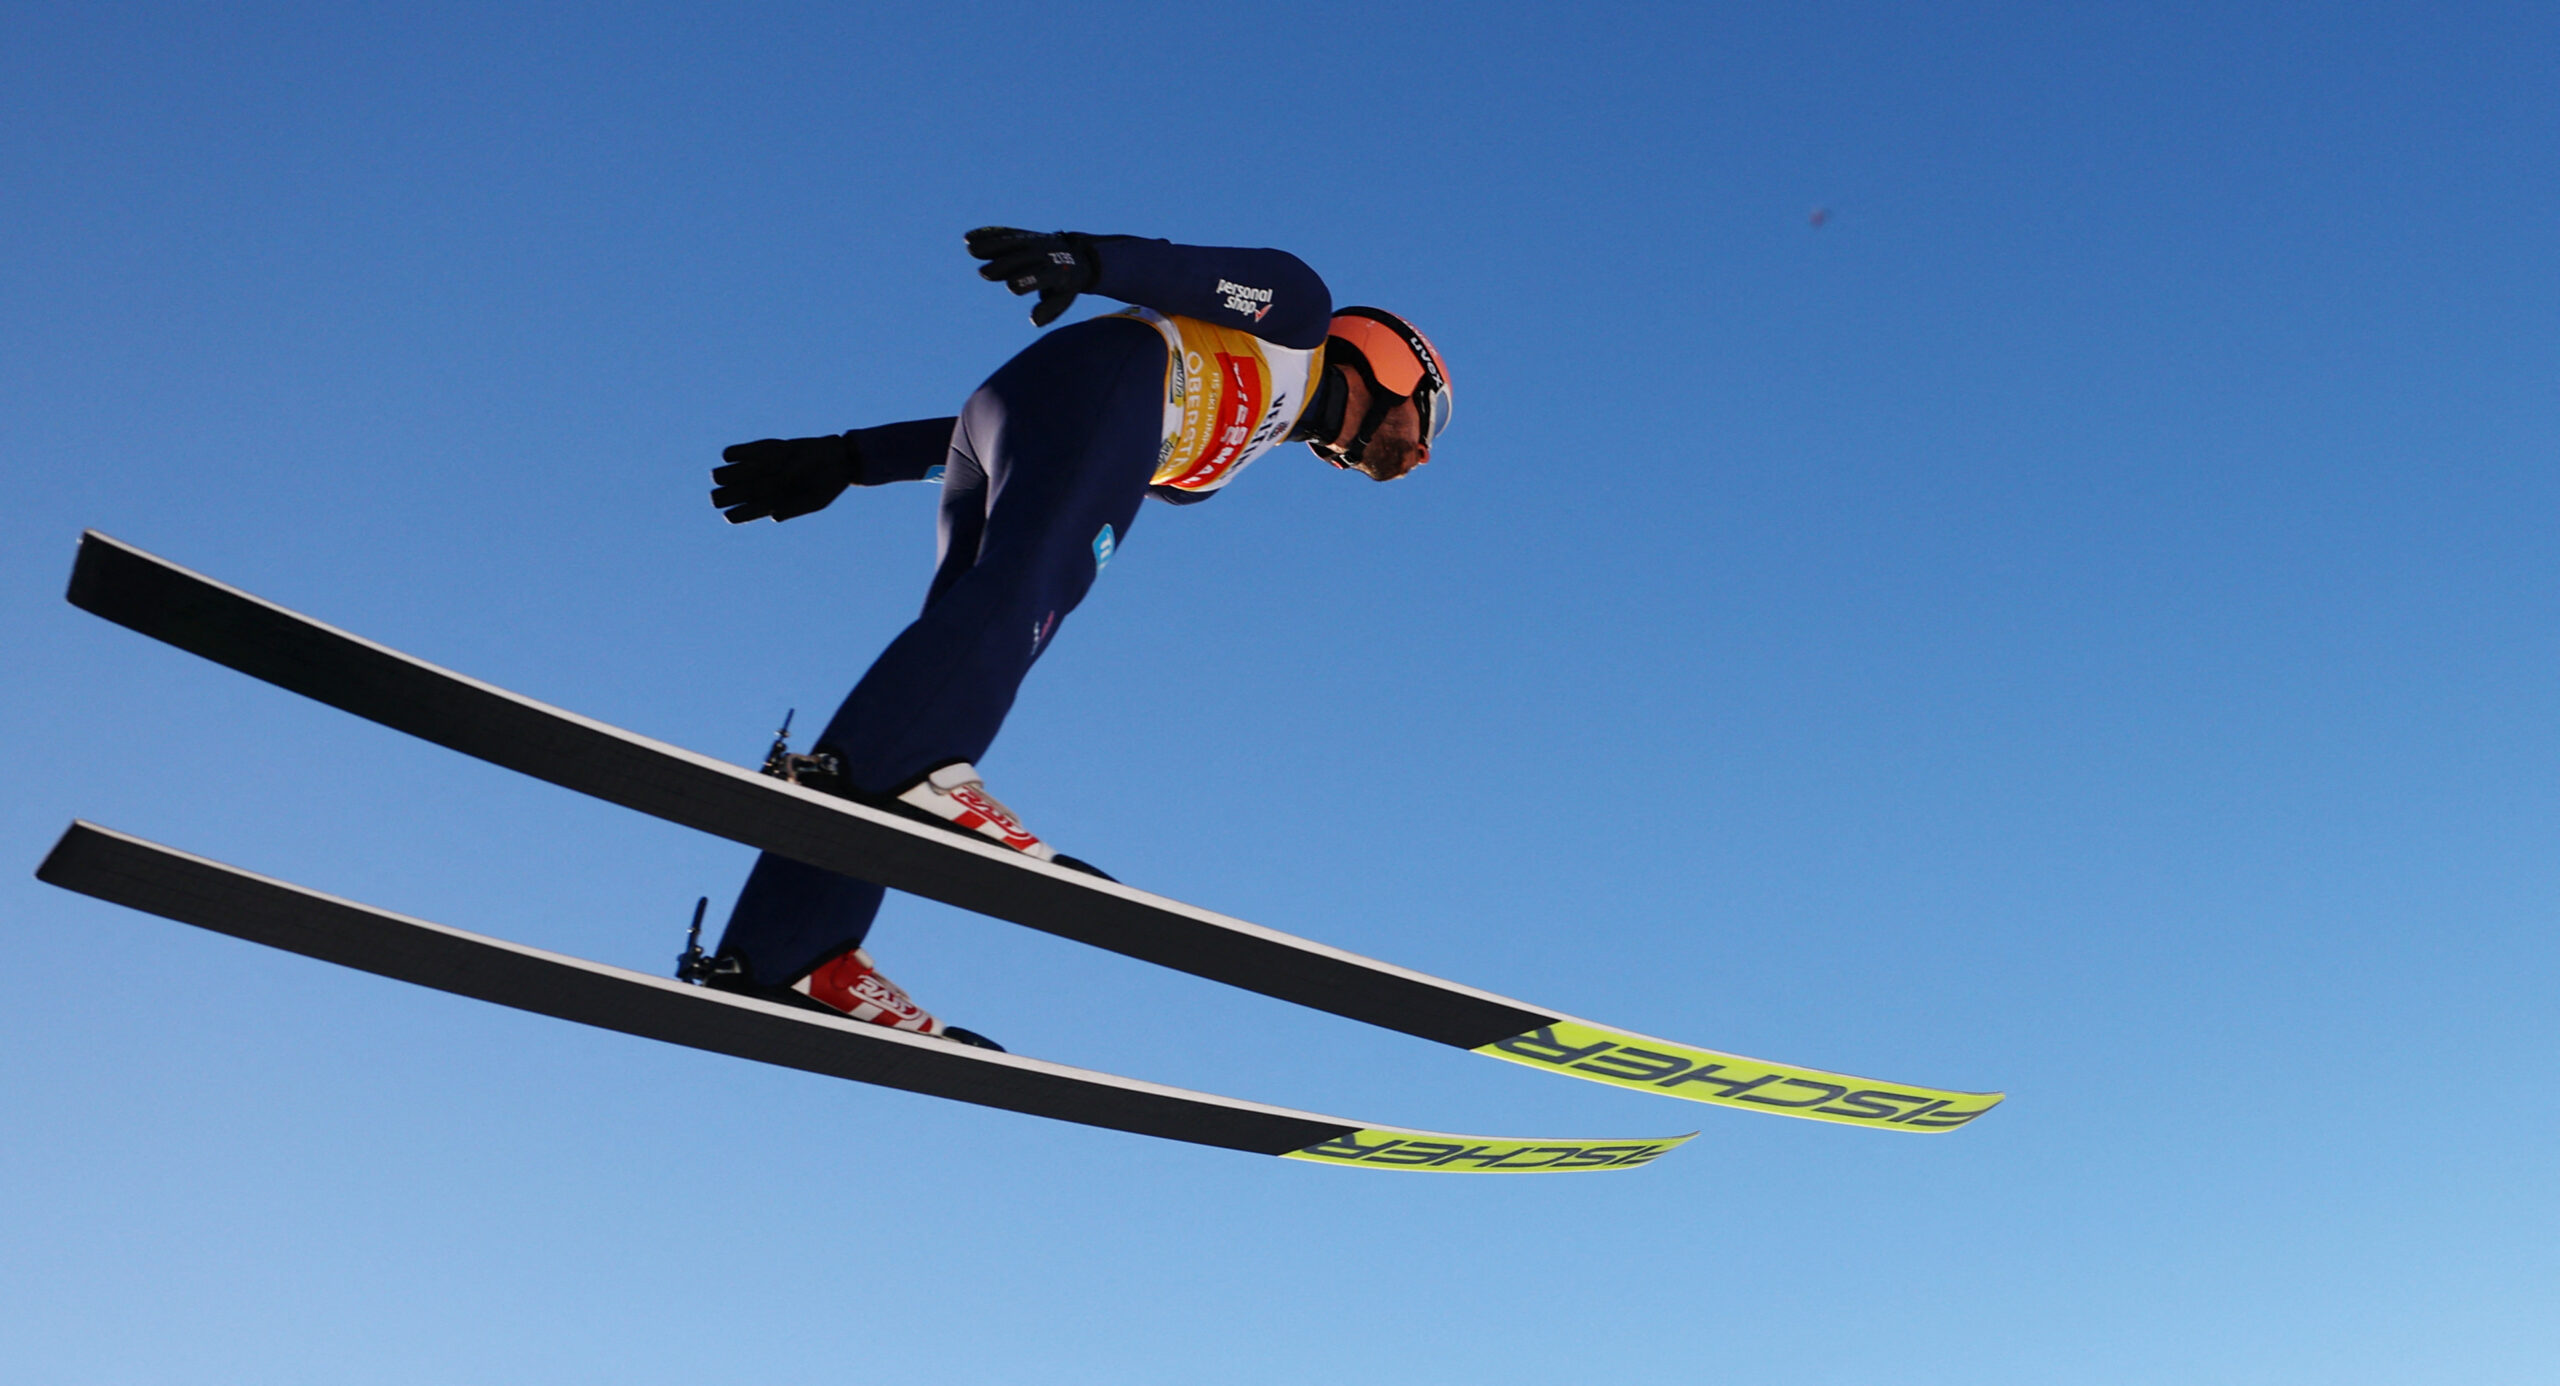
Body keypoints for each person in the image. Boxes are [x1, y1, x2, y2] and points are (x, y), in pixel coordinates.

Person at [688, 227, 1453, 1047]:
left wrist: (846, 459)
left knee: (957, 648)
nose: (1421, 455)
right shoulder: (1300, 316)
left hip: (1006, 426)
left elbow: (1028, 424)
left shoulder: (1231, 458)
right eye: (1429, 418)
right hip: (1108, 381)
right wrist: (1084, 262)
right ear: (1393, 363)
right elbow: (1195, 277)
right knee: (1024, 601)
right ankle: (912, 772)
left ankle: (787, 954)